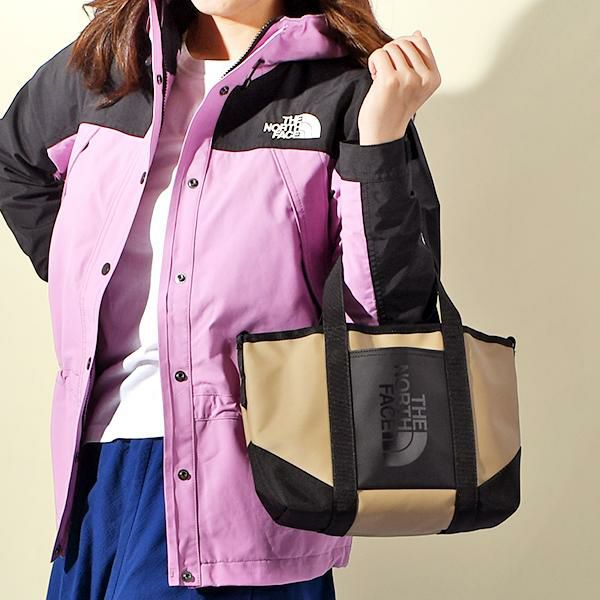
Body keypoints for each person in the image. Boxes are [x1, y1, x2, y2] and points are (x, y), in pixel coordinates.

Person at [0, 0, 442, 598]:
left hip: (249, 482)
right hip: (98, 473)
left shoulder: (347, 88)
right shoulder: (108, 65)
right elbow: (14, 163)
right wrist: (78, 280)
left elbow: (389, 318)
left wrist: (381, 140)